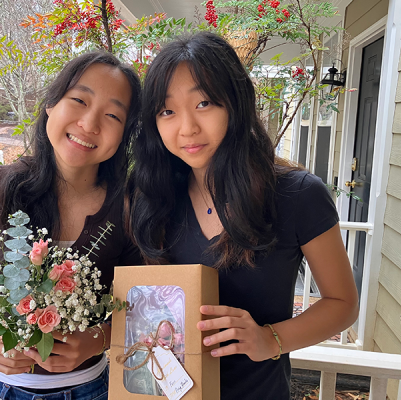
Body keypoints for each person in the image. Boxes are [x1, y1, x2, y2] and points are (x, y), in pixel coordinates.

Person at [126, 32, 359, 399]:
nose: (187, 128)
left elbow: (342, 305)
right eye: (167, 111)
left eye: (204, 103)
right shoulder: (153, 198)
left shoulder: (297, 194)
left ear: (235, 104)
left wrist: (271, 338)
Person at [0, 51, 143, 400]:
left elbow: (141, 307)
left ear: (125, 134)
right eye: (79, 100)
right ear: (51, 105)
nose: (89, 123)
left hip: (90, 390)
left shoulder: (131, 209)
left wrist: (96, 339)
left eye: (112, 115)